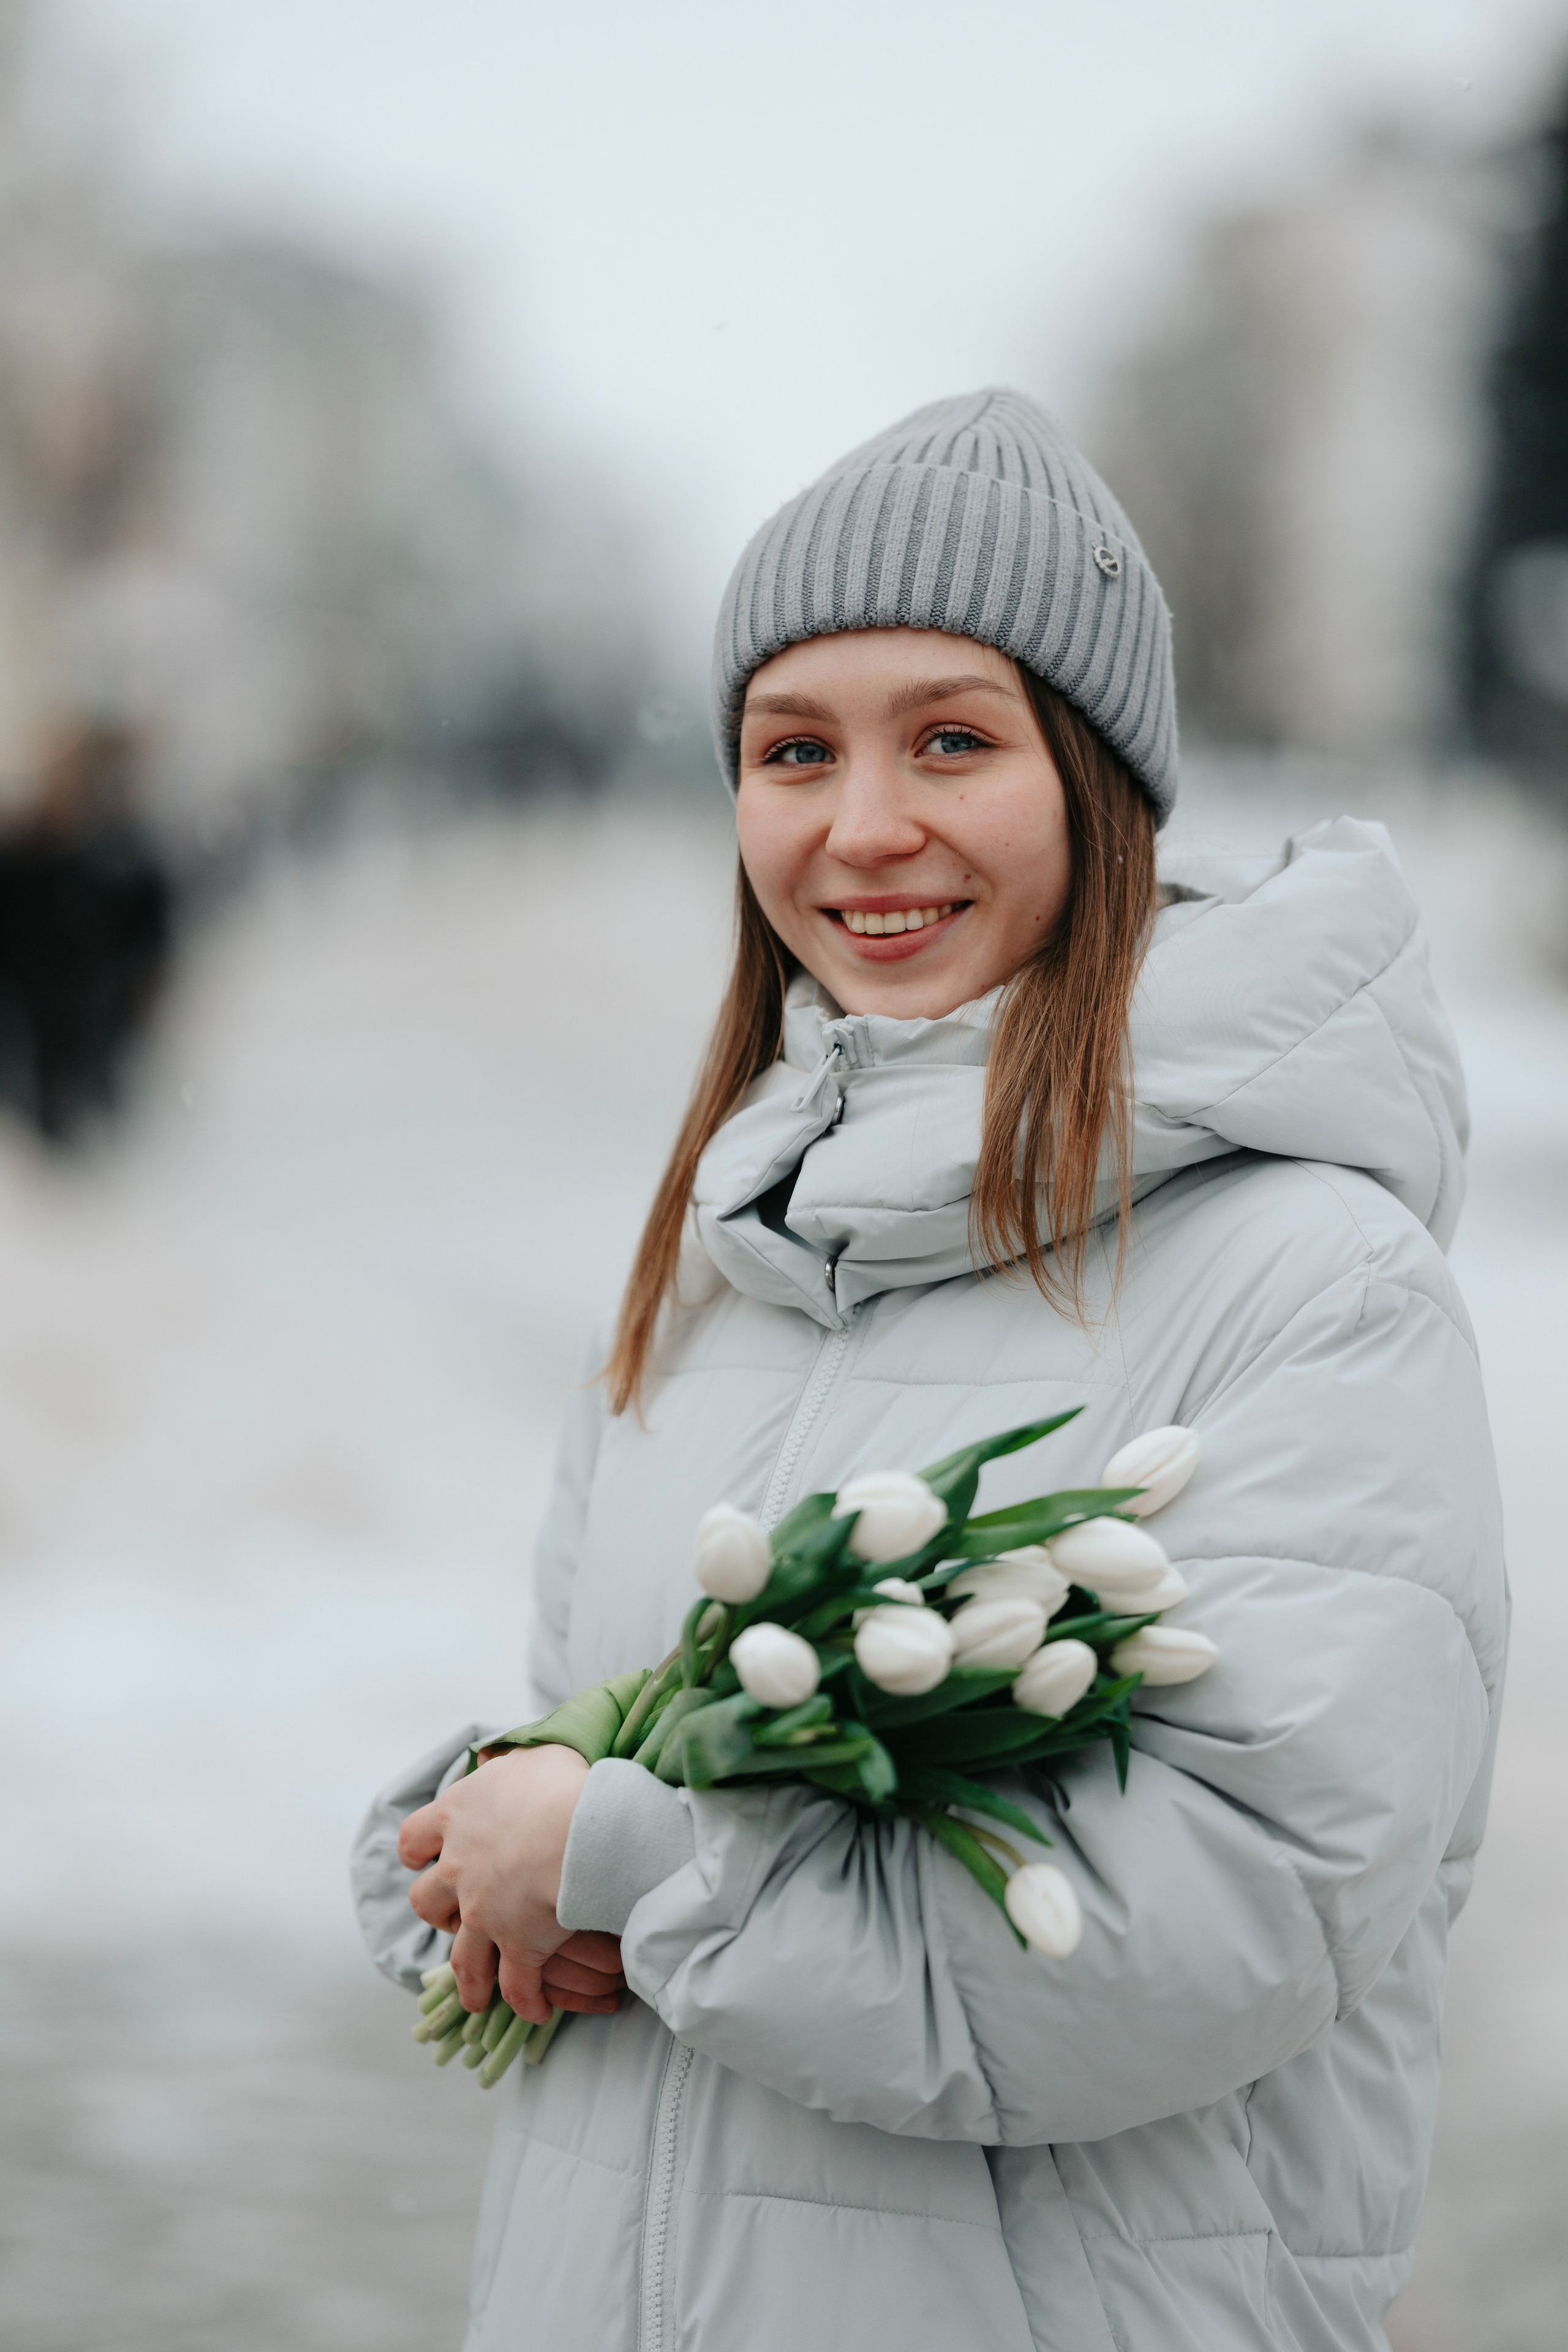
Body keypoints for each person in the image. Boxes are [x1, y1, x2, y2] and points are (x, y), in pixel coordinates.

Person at [353, 390, 1506, 2352]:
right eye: (793, 750)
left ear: (1094, 782)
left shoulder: (1306, 1278)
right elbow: (603, 1766)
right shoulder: (723, 1258)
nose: (861, 825)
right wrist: (476, 1850)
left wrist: (633, 1865)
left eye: (952, 742)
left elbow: (1217, 1924)